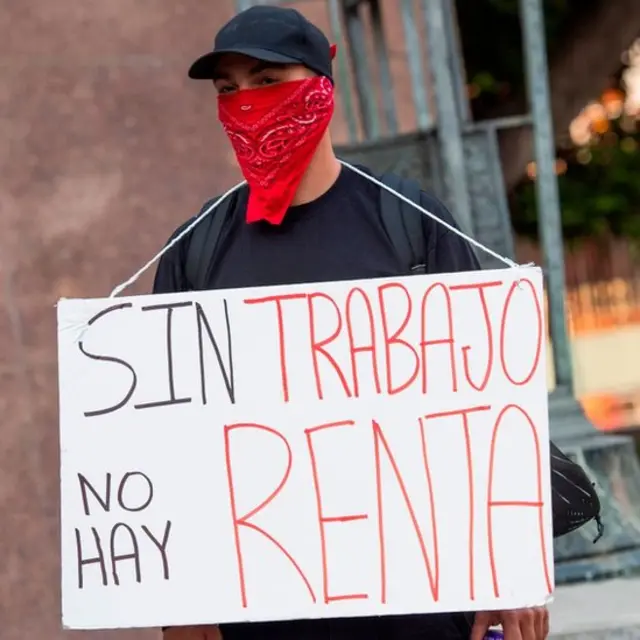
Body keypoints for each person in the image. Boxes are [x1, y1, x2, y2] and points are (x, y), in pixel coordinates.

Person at [155, 5, 575, 640]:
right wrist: (179, 606)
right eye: (228, 90)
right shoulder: (197, 247)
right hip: (264, 607)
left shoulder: (408, 222)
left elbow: (484, 406)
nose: (247, 102)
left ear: (323, 85)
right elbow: (171, 436)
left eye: (268, 81)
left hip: (413, 600)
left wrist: (509, 572)